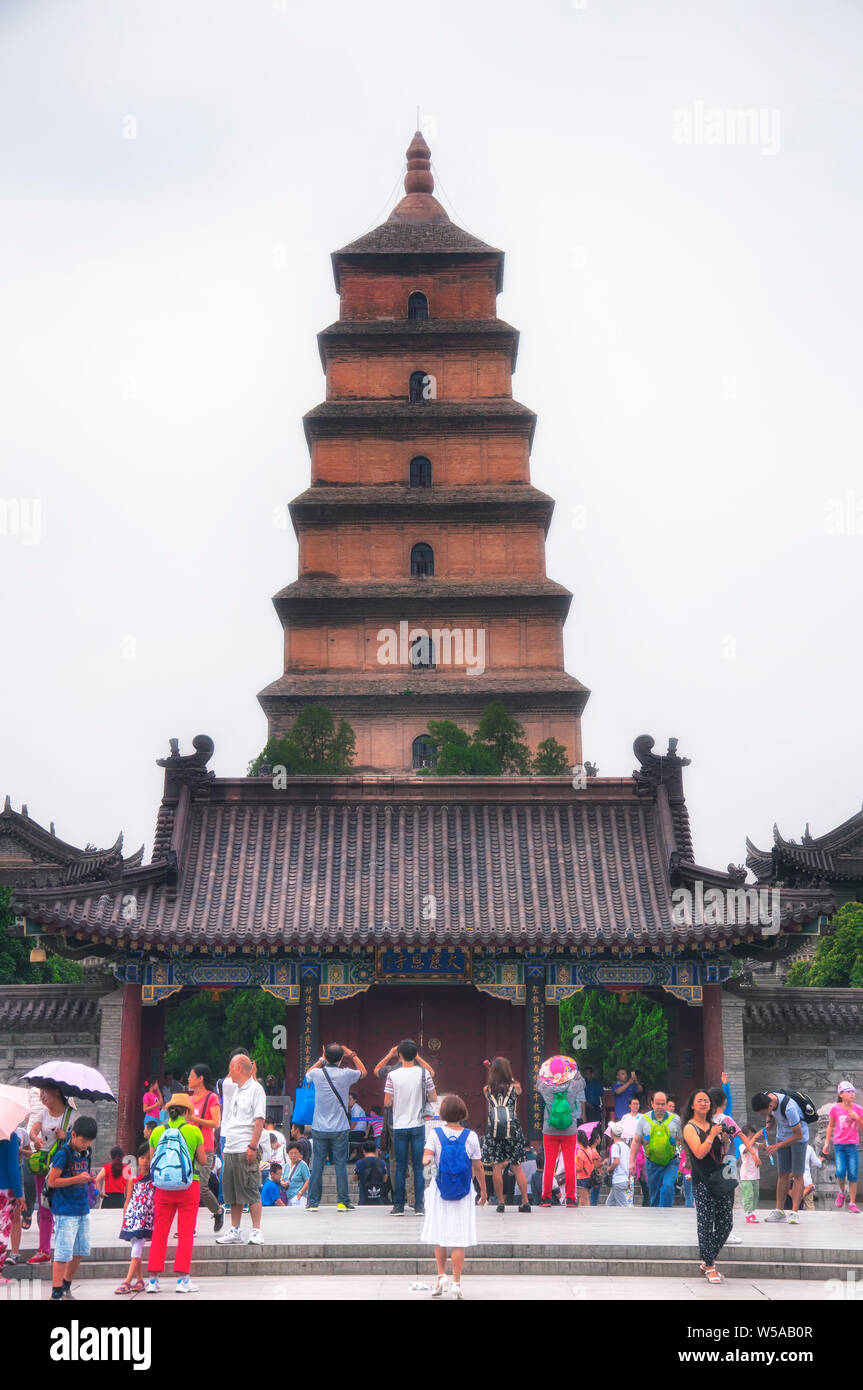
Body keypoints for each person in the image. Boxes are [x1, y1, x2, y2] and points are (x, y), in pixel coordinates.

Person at [421, 1093, 486, 1299]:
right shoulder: (471, 1136)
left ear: (442, 1113)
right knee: (459, 1238)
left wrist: (429, 1165)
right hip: (464, 1191)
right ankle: (457, 1283)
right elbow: (478, 1166)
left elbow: (426, 1160)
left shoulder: (435, 1134)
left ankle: (441, 1277)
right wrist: (484, 1191)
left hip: (440, 1190)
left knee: (440, 1234)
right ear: (463, 1113)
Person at [146, 1093, 205, 1294]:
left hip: (162, 1188)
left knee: (159, 1233)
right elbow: (203, 1160)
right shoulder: (193, 1131)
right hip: (189, 1186)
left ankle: (153, 1280)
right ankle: (182, 1280)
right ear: (187, 1111)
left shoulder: (156, 1132)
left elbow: (153, 1161)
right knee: (186, 1234)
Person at [306, 1042, 367, 1212]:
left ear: (326, 1057)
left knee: (317, 1164)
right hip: (340, 1127)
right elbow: (364, 1072)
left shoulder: (317, 1073)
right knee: (340, 1164)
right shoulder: (346, 1074)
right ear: (341, 1058)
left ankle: (313, 1203)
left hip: (319, 1126)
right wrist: (352, 1054)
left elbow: (307, 1074)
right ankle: (342, 1202)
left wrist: (321, 1059)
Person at [682, 1089, 733, 1284]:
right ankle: (710, 1265)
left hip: (720, 1178)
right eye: (700, 1101)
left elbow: (720, 1153)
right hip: (702, 1180)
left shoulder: (714, 1125)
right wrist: (711, 1135)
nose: (704, 1103)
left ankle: (706, 1260)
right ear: (693, 1105)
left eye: (706, 1101)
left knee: (726, 1224)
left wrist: (724, 1140)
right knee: (705, 1222)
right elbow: (700, 1152)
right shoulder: (690, 1127)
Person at [216, 1053, 267, 1245]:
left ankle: (256, 1231)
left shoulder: (256, 1089)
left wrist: (252, 1146)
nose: (228, 1072)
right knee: (233, 1193)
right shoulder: (237, 1089)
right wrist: (226, 1146)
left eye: (230, 1068)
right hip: (231, 1147)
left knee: (250, 1190)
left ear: (238, 1068)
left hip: (246, 1146)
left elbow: (259, 1119)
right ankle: (235, 1229)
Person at [383, 1039, 437, 1216]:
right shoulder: (424, 1074)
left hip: (399, 1125)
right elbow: (434, 1097)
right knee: (418, 1167)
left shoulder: (393, 1075)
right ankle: (419, 1206)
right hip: (418, 1125)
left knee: (400, 1167)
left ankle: (398, 1205)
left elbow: (387, 1102)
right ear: (416, 1055)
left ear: (399, 1055)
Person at [47, 1114, 98, 1301]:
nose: (85, 1145)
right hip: (65, 1210)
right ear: (73, 1135)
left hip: (82, 1208)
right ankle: (56, 1292)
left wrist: (89, 1180)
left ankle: (66, 1286)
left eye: (89, 1142)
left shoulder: (86, 1153)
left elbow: (84, 1175)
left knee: (80, 1251)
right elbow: (52, 1181)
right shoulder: (63, 1154)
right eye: (83, 1141)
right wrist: (77, 1179)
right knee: (62, 1253)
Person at [27, 1084, 73, 1265]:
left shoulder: (71, 1115)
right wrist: (35, 1139)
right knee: (44, 1207)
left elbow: (82, 1142)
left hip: (64, 1167)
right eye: (40, 1094)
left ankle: (65, 1248)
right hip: (45, 1167)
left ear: (56, 1091)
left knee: (62, 1208)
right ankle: (44, 1250)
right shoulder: (43, 1114)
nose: (42, 1097)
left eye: (44, 1093)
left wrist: (67, 1136)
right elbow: (34, 1130)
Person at [481, 1057, 530, 1213]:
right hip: (513, 1128)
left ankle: (500, 1202)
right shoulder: (515, 1087)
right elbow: (517, 1088)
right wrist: (510, 1078)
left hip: (494, 1129)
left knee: (496, 1166)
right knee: (517, 1166)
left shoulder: (487, 1089)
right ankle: (525, 1201)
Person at [751, 1090, 809, 1225]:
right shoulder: (766, 1096)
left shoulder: (789, 1108)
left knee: (797, 1174)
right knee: (782, 1174)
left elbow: (798, 1135)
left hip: (798, 1140)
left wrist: (777, 1146)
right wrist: (768, 1129)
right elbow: (770, 1117)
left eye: (762, 1112)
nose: (761, 1115)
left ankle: (794, 1213)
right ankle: (779, 1211)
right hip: (782, 1136)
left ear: (770, 1105)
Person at [537, 1057, 585, 1208]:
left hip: (549, 1130)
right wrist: (575, 1072)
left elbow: (538, 1082)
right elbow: (582, 1083)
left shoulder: (545, 1086)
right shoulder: (572, 1085)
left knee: (549, 1164)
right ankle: (570, 1198)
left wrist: (544, 1074)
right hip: (569, 1130)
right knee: (570, 1163)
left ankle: (545, 1198)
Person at [187, 1063, 224, 1232]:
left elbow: (216, 1122)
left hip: (206, 1147)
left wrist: (195, 1119)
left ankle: (217, 1210)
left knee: (200, 1187)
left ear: (200, 1078)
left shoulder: (212, 1098)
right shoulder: (188, 1100)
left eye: (191, 1075)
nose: (188, 1078)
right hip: (188, 1147)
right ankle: (189, 1226)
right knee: (187, 1187)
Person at [115, 1143, 155, 1294]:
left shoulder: (154, 1177)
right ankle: (140, 1280)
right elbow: (128, 1198)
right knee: (135, 1248)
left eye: (148, 1158)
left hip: (146, 1217)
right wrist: (125, 1216)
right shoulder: (133, 1177)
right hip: (132, 1216)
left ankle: (126, 1282)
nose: (145, 1161)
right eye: (142, 1157)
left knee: (136, 1249)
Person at [628, 1091, 681, 1207]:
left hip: (671, 1161)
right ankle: (657, 1218)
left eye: (663, 1104)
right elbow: (636, 1141)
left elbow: (683, 1140)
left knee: (667, 1187)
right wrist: (632, 1161)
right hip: (652, 1163)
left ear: (667, 1104)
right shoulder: (643, 1120)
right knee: (654, 1194)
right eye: (657, 1104)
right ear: (651, 1103)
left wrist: (688, 1160)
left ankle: (666, 1214)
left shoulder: (676, 1120)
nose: (660, 1107)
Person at [823, 1081, 863, 1213]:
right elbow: (830, 1125)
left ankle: (852, 1203)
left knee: (852, 1174)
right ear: (841, 1094)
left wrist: (857, 1118)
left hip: (852, 1145)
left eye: (853, 1092)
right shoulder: (835, 1108)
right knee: (840, 1172)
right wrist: (827, 1142)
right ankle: (841, 1191)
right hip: (839, 1144)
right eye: (848, 1092)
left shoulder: (858, 1109)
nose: (852, 1094)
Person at [0, 1127, 25, 1284]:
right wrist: (19, 1194)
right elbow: (13, 1168)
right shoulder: (11, 1136)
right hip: (6, 1190)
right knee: (3, 1230)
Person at [738, 1125, 763, 1223]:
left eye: (754, 1136)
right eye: (751, 1136)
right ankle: (748, 1214)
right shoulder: (742, 1146)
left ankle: (751, 1212)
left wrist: (765, 1134)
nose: (753, 1138)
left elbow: (764, 1146)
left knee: (755, 1195)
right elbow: (746, 1149)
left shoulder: (755, 1144)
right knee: (748, 1195)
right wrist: (755, 1138)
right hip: (746, 1176)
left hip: (756, 1175)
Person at [354, 1140, 388, 1205]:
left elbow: (355, 1178)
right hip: (379, 1198)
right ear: (375, 1150)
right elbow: (385, 1179)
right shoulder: (382, 1162)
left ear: (363, 1150)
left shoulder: (360, 1162)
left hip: (364, 1198)